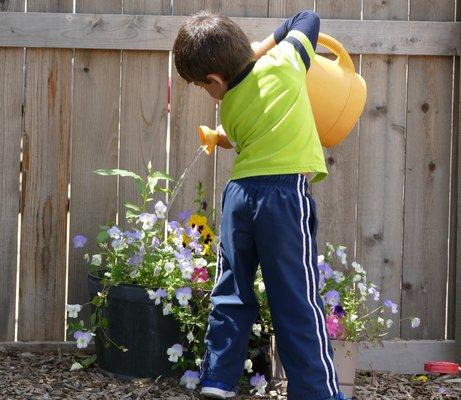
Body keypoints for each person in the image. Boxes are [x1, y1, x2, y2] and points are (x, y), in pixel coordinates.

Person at [173, 9, 344, 400]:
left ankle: (217, 380)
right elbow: (307, 17)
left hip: (239, 198)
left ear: (215, 81)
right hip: (283, 199)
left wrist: (219, 135)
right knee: (296, 300)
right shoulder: (286, 63)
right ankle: (318, 393)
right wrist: (264, 46)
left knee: (231, 290)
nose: (209, 92)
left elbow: (234, 135)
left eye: (204, 87)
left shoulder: (229, 105)